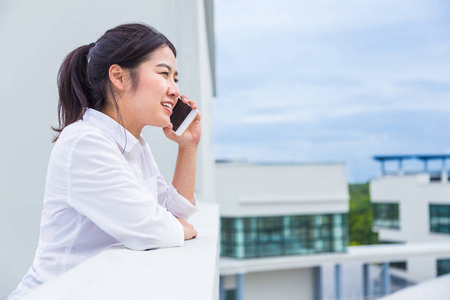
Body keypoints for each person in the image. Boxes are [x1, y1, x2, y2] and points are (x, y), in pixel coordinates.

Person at [8, 23, 201, 299]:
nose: (174, 90)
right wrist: (173, 226)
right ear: (119, 77)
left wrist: (188, 147)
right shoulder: (86, 143)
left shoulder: (135, 147)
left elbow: (173, 216)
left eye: (176, 78)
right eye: (163, 74)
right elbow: (151, 229)